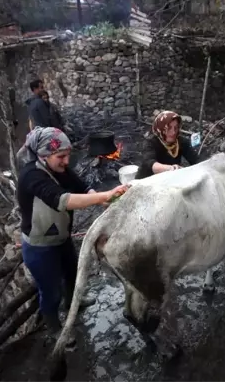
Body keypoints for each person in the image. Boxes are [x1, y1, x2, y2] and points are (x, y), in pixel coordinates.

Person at [16, 127, 128, 334]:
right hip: (40, 246)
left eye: (68, 156)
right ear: (44, 155)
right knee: (50, 292)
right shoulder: (31, 176)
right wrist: (104, 196)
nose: (66, 161)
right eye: (61, 156)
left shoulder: (58, 169)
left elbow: (81, 187)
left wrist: (101, 198)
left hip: (62, 238)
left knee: (71, 274)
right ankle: (56, 329)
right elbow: (63, 200)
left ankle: (73, 303)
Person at [135, 110, 200, 179]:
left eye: (176, 127)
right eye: (168, 128)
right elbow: (150, 163)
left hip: (168, 180)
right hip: (147, 181)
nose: (173, 132)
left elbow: (196, 160)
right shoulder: (151, 143)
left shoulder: (181, 142)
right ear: (160, 128)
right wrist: (171, 168)